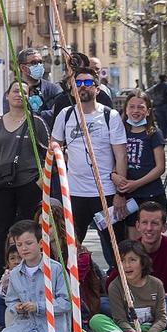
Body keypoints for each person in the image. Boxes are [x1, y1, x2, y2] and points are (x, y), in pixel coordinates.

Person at [50, 62, 126, 245]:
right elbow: (53, 146)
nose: (82, 86)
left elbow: (121, 156)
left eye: (87, 82)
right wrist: (60, 154)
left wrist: (120, 194)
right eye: (77, 83)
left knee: (114, 247)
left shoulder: (111, 116)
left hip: (105, 192)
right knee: (71, 246)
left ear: (97, 89)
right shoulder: (65, 115)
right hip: (75, 193)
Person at [0, 81, 48, 276]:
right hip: (1, 185)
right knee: (2, 230)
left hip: (29, 183)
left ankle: (30, 272)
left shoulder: (36, 122)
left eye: (24, 92)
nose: (19, 94)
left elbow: (48, 152)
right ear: (7, 95)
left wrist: (41, 179)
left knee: (27, 230)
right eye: (16, 91)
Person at [0, 222, 73, 332]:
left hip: (47, 329)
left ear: (40, 243)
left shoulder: (55, 269)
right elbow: (11, 301)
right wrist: (17, 307)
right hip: (23, 324)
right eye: (19, 245)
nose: (24, 248)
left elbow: (67, 303)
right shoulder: (15, 273)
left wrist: (38, 306)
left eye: (29, 243)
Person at [115, 92, 167, 227]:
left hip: (151, 194)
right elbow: (113, 161)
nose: (135, 111)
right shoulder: (120, 133)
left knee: (150, 235)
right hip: (128, 197)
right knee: (132, 237)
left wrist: (137, 184)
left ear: (148, 111)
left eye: (140, 107)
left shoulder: (153, 133)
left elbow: (160, 167)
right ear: (126, 110)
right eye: (131, 107)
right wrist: (113, 175)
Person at [119, 202, 167, 299]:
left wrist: (164, 297)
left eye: (154, 223)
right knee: (104, 303)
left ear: (164, 227)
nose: (149, 228)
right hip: (135, 301)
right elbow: (113, 283)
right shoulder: (130, 250)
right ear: (138, 226)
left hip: (165, 302)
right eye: (144, 223)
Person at [147, 72, 167, 141]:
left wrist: (153, 99)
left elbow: (147, 92)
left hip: (158, 106)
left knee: (161, 122)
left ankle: (162, 136)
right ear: (166, 78)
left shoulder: (155, 86)